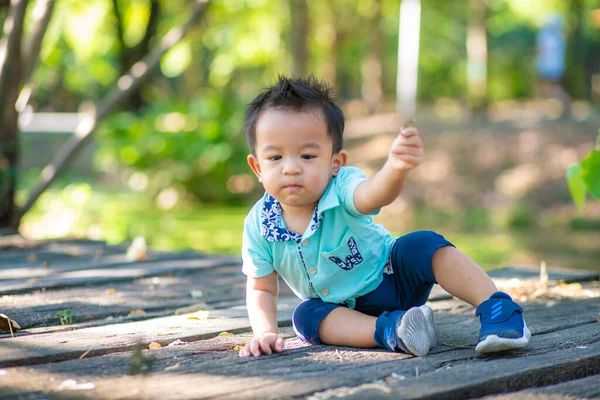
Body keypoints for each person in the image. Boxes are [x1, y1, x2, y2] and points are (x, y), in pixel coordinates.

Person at [238, 75, 531, 358]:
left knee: (422, 245)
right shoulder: (259, 226)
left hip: (393, 276)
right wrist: (264, 332)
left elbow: (372, 195)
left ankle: (498, 311)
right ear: (257, 168)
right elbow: (262, 287)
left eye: (307, 156)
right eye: (276, 157)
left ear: (335, 162)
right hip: (344, 311)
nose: (290, 168)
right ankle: (393, 330)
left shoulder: (340, 187)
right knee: (305, 316)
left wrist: (395, 168)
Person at [535, 13, 570, 114]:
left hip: (546, 65)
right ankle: (562, 106)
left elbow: (540, 49)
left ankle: (565, 103)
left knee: (550, 88)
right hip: (557, 66)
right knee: (550, 87)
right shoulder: (560, 36)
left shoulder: (545, 35)